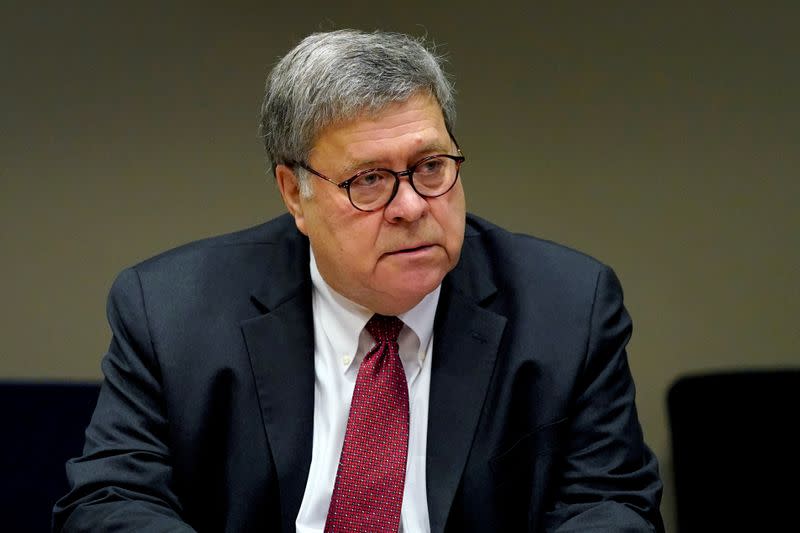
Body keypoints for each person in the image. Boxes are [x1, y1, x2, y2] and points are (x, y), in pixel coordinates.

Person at [53, 29, 664, 532]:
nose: (412, 206)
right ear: (296, 193)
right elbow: (109, 502)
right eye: (369, 180)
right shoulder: (170, 310)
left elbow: (613, 507)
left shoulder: (567, 306)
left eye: (430, 166)